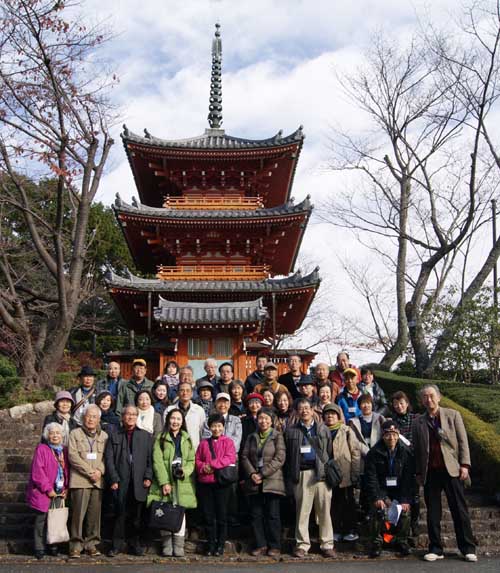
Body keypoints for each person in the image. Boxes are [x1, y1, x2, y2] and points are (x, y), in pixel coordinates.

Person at [412, 384, 477, 563]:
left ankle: (467, 548)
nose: (429, 399)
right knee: (433, 512)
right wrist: (418, 472)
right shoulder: (418, 421)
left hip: (452, 469)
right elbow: (417, 450)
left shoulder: (452, 415)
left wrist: (465, 465)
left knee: (459, 510)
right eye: (425, 397)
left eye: (432, 396)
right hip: (430, 471)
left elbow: (463, 441)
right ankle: (435, 548)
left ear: (439, 397)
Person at [285, 398, 336, 558]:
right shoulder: (291, 431)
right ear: (297, 411)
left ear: (313, 410)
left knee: (324, 511)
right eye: (301, 408)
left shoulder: (323, 429)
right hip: (302, 473)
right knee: (302, 512)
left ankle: (327, 544)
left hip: (321, 475)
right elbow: (288, 455)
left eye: (307, 408)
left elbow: (329, 452)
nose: (304, 411)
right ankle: (302, 545)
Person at [105, 406, 153, 557]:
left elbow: (150, 460)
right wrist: (113, 478)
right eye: (128, 414)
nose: (130, 417)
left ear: (137, 416)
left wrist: (148, 476)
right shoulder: (114, 435)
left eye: (133, 414)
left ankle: (134, 544)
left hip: (139, 481)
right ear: (122, 417)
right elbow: (109, 459)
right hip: (121, 480)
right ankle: (116, 545)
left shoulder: (145, 436)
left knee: (136, 516)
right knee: (119, 514)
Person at [148, 408, 196, 557]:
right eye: (173, 418)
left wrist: (184, 471)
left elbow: (191, 460)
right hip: (166, 480)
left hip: (182, 481)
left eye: (178, 419)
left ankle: (179, 545)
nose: (175, 421)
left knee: (179, 513)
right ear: (168, 420)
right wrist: (164, 482)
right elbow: (157, 462)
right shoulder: (160, 439)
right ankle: (167, 544)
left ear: (182, 422)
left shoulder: (187, 439)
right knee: (165, 512)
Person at [240, 408, 286, 557]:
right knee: (256, 514)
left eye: (266, 418)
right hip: (254, 481)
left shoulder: (277, 436)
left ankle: (275, 545)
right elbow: (244, 456)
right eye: (261, 418)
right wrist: (252, 473)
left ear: (271, 420)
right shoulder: (252, 437)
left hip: (272, 480)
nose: (263, 421)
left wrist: (262, 473)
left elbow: (280, 458)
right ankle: (261, 544)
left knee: (273, 515)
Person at [364, 420, 413, 558]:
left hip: (398, 490)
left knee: (405, 511)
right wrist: (378, 497)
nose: (391, 438)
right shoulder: (373, 453)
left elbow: (408, 479)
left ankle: (402, 541)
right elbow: (371, 478)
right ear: (382, 436)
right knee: (378, 510)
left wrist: (404, 499)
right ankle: (376, 543)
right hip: (382, 490)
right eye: (387, 435)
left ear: (398, 435)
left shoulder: (406, 452)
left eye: (394, 434)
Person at [68, 404, 108, 558]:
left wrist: (99, 471)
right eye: (88, 416)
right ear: (83, 417)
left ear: (99, 419)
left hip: (97, 481)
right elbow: (72, 456)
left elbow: (106, 457)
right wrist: (90, 471)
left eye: (94, 417)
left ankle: (92, 544)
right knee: (78, 515)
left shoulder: (104, 436)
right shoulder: (75, 433)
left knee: (94, 515)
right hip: (80, 480)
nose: (91, 419)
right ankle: (75, 545)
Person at [195, 413, 237, 556]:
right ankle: (210, 544)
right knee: (208, 515)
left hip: (221, 483)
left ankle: (220, 545)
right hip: (206, 483)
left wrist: (211, 465)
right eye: (214, 425)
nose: (216, 428)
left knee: (222, 515)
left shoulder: (228, 442)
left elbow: (229, 458)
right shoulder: (203, 443)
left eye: (219, 426)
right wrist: (203, 467)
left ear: (223, 427)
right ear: (209, 427)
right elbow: (198, 460)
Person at [26, 423, 69, 560]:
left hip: (59, 491)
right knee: (41, 521)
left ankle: (53, 546)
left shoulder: (64, 450)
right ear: (47, 435)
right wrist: (47, 489)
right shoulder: (42, 449)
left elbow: (67, 470)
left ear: (62, 435)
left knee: (55, 519)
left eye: (58, 433)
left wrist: (66, 488)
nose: (55, 435)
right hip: (43, 491)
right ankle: (39, 547)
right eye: (52, 433)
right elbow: (38, 472)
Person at [391, 391, 420, 536]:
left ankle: (414, 523)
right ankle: (401, 527)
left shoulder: (416, 419)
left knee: (415, 496)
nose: (399, 406)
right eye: (396, 404)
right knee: (400, 495)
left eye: (401, 403)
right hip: (399, 463)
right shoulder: (392, 421)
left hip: (414, 461)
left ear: (407, 404)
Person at [164, 381, 205, 450]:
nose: (185, 393)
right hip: (173, 449)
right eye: (182, 390)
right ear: (178, 393)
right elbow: (165, 430)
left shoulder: (199, 410)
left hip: (193, 450)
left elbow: (202, 432)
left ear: (192, 393)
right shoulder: (169, 410)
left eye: (188, 391)